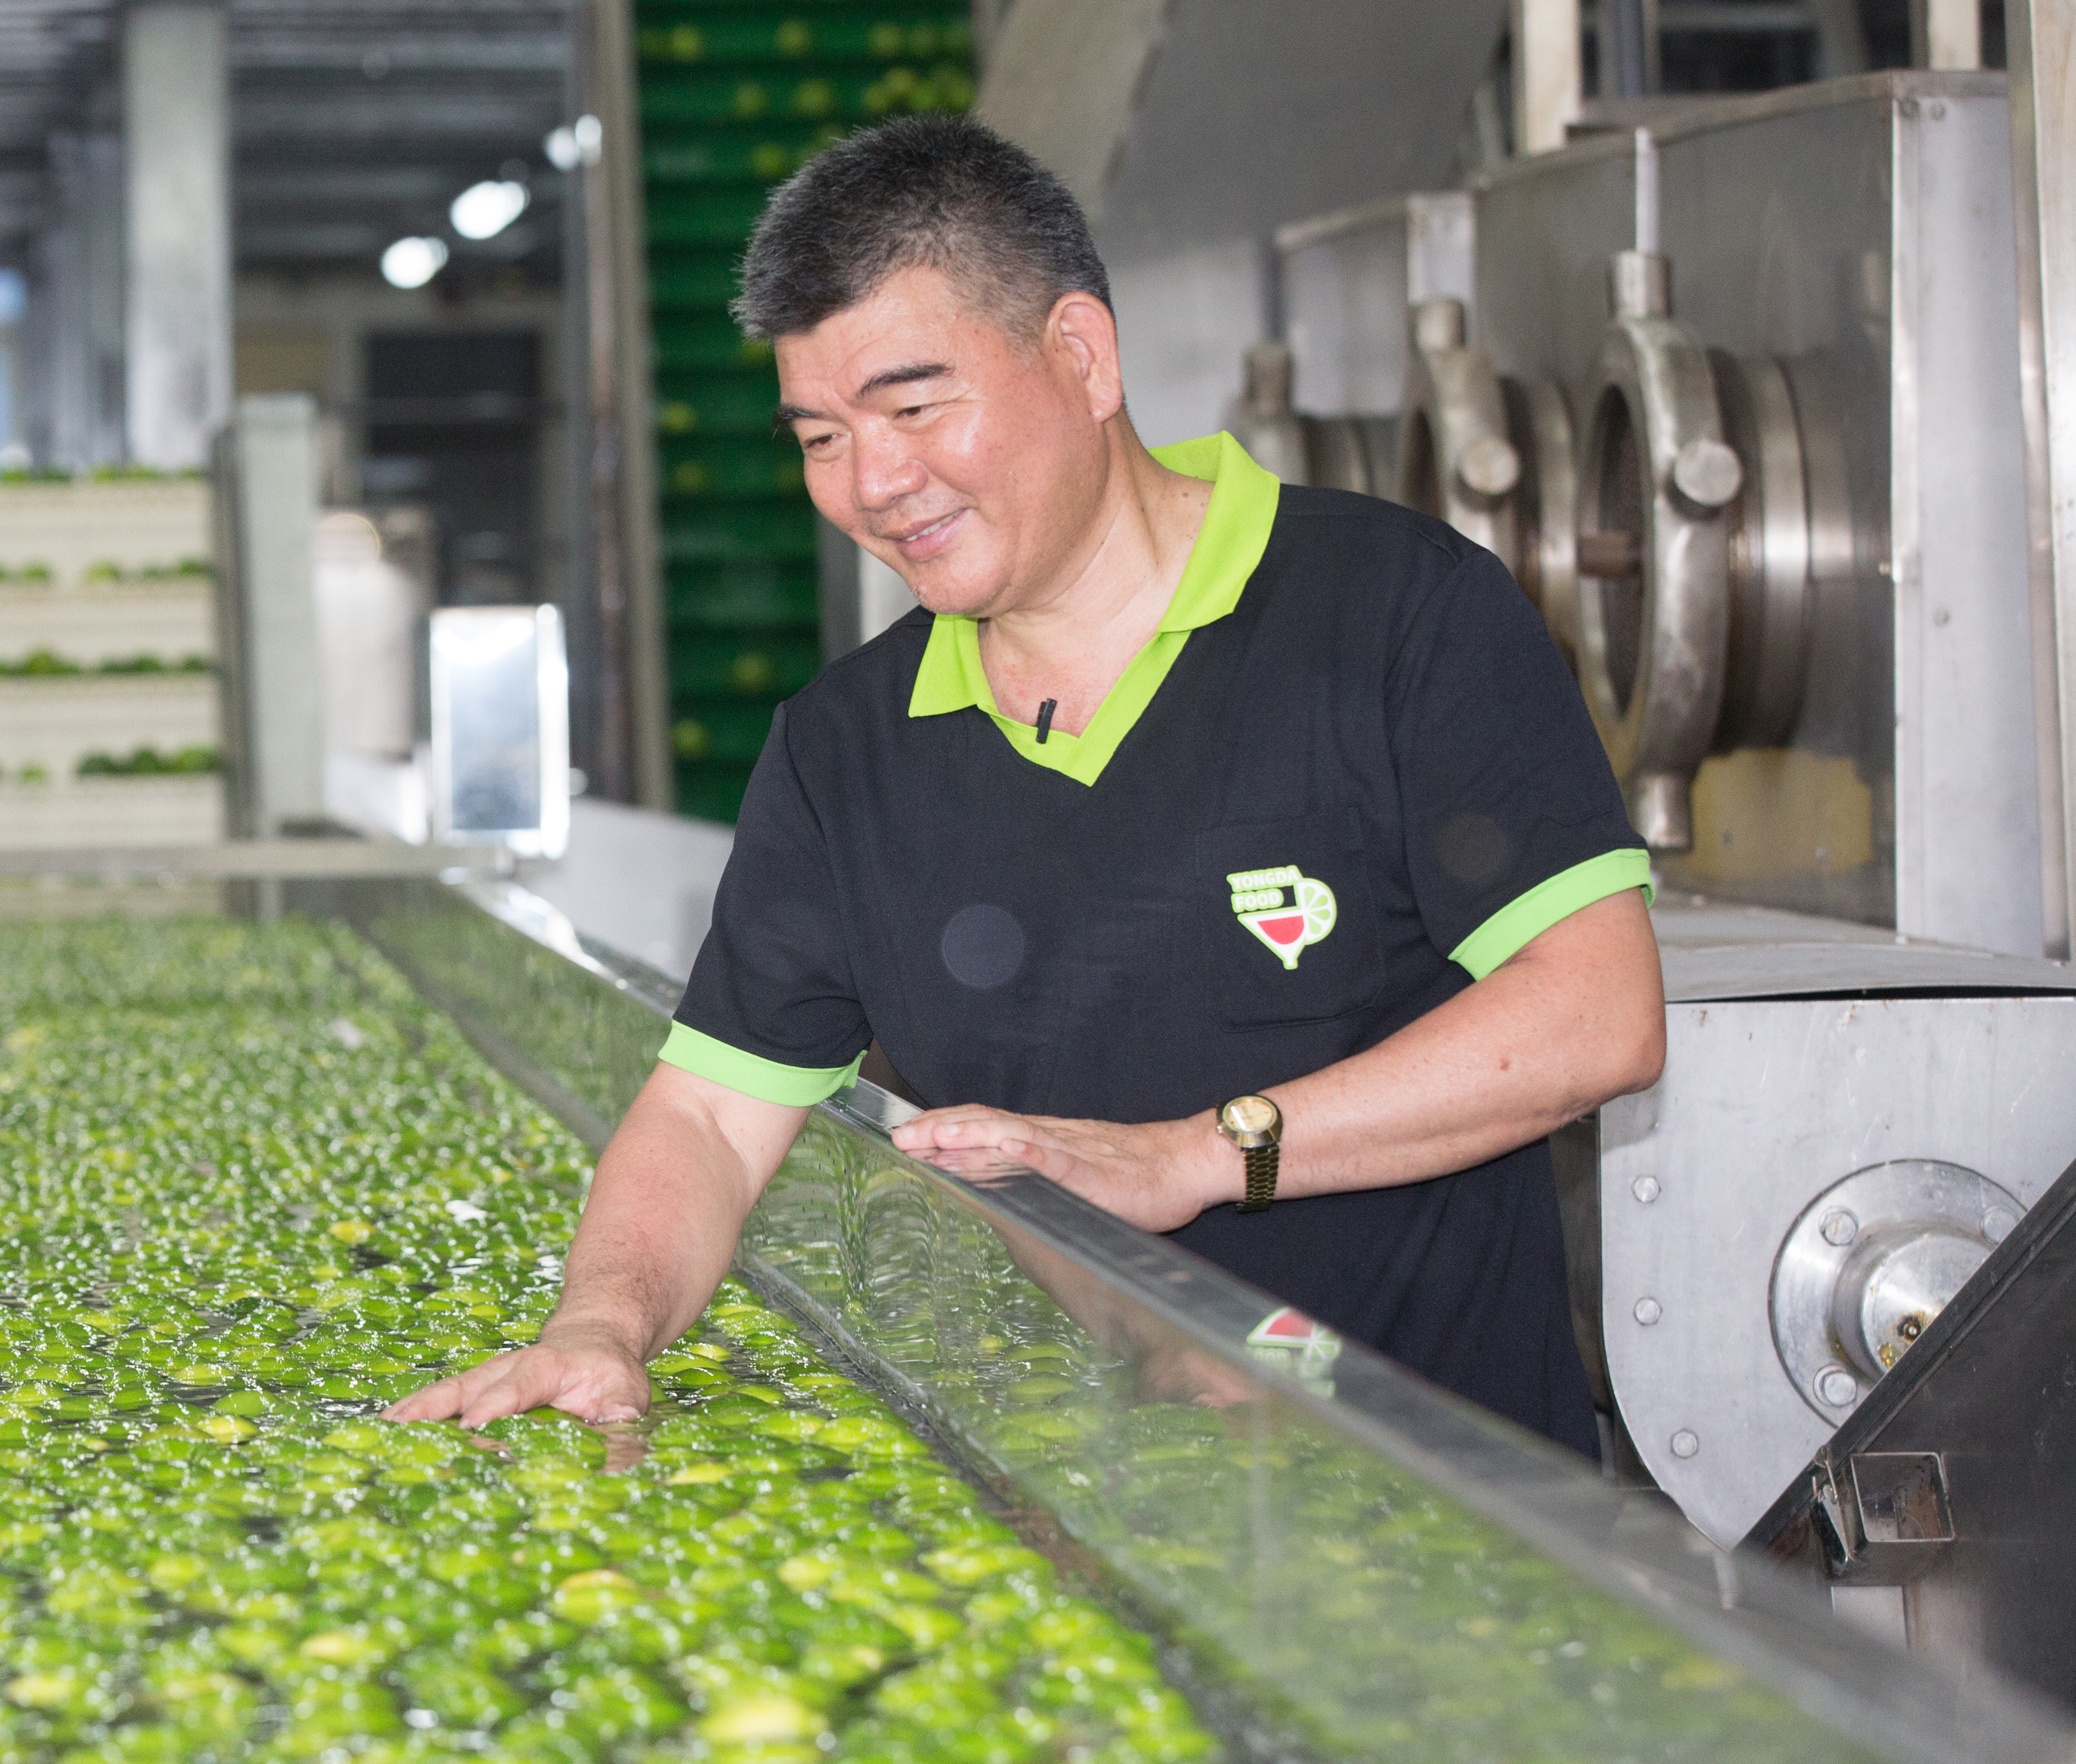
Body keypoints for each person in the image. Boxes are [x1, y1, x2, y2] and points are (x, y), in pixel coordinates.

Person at [391, 115, 1665, 1453]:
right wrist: (600, 1323)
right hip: (1070, 1522)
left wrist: (1197, 1154)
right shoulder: (848, 750)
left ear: (1082, 356)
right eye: (820, 435)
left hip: (1451, 1526)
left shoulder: (1398, 614)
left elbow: (1597, 1012)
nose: (874, 484)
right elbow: (711, 1113)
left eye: (915, 406)